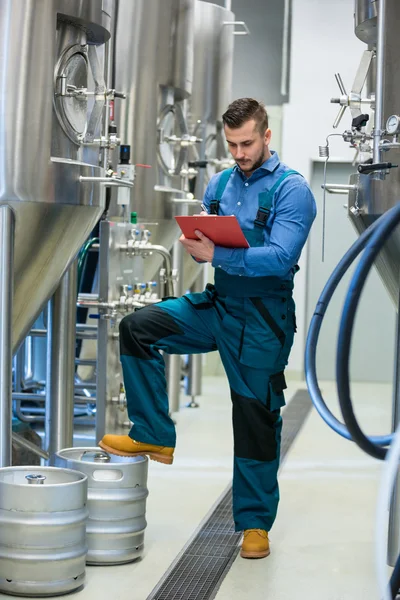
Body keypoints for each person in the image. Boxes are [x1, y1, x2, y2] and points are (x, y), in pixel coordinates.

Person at [100, 98, 317, 559]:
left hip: (262, 318)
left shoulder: (291, 190)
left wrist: (217, 255)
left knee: (254, 417)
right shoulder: (220, 182)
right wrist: (194, 240)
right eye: (232, 144)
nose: (239, 153)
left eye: (247, 143)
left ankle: (256, 524)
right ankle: (154, 431)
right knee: (139, 326)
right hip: (218, 305)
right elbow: (206, 230)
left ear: (267, 136)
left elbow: (281, 257)